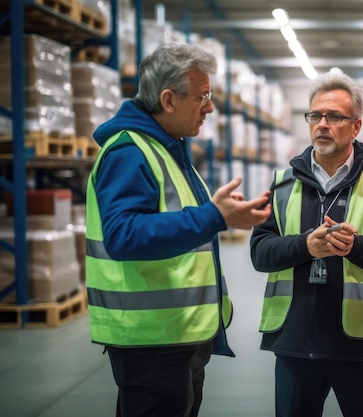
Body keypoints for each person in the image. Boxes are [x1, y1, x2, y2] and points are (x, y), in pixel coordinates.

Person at [84, 43, 272, 417]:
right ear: (168, 100)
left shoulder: (168, 148)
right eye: (202, 97)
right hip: (151, 340)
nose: (210, 108)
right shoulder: (129, 152)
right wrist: (214, 217)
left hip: (177, 335)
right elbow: (123, 235)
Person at [250, 71, 363, 417]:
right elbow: (259, 253)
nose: (322, 124)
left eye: (334, 117)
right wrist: (304, 247)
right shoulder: (283, 183)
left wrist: (355, 247)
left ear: (355, 126)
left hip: (359, 344)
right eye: (315, 116)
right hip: (294, 343)